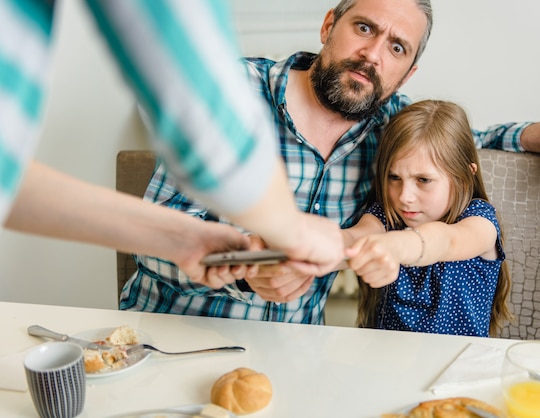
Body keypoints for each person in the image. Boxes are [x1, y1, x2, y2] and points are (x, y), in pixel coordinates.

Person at [120, 0, 540, 323]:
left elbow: (467, 143)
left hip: (292, 354)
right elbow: (153, 236)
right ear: (329, 25)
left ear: (407, 72)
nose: (373, 54)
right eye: (364, 28)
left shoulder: (393, 127)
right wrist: (245, 269)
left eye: (396, 47)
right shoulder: (228, 96)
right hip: (171, 332)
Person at [0, 0, 345, 283]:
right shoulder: (249, 83)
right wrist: (292, 228)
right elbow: (199, 109)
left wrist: (181, 239)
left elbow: (8, 177)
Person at [343, 100, 512, 337]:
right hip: (388, 363)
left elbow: (446, 240)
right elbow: (355, 237)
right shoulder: (387, 215)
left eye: (423, 180)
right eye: (394, 177)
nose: (404, 197)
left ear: (464, 177)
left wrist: (399, 245)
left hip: (460, 366)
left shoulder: (479, 220)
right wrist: (319, 246)